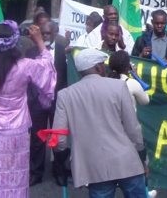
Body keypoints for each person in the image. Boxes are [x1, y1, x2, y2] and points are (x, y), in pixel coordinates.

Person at [0, 20, 56, 197]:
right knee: (14, 176)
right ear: (15, 43)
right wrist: (39, 40)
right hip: (17, 131)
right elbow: (47, 66)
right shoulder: (25, 66)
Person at [53, 48, 147, 198]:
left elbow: (59, 139)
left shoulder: (65, 95)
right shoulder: (118, 87)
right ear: (98, 67)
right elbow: (132, 128)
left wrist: (64, 158)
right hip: (126, 161)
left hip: (93, 167)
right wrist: (141, 152)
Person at [25, 21, 68, 187]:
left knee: (58, 138)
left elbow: (65, 76)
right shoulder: (31, 52)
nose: (45, 36)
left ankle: (60, 172)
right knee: (37, 139)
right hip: (37, 102)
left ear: (55, 32)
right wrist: (32, 98)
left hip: (58, 101)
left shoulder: (64, 51)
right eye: (43, 33)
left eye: (48, 33)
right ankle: (36, 173)